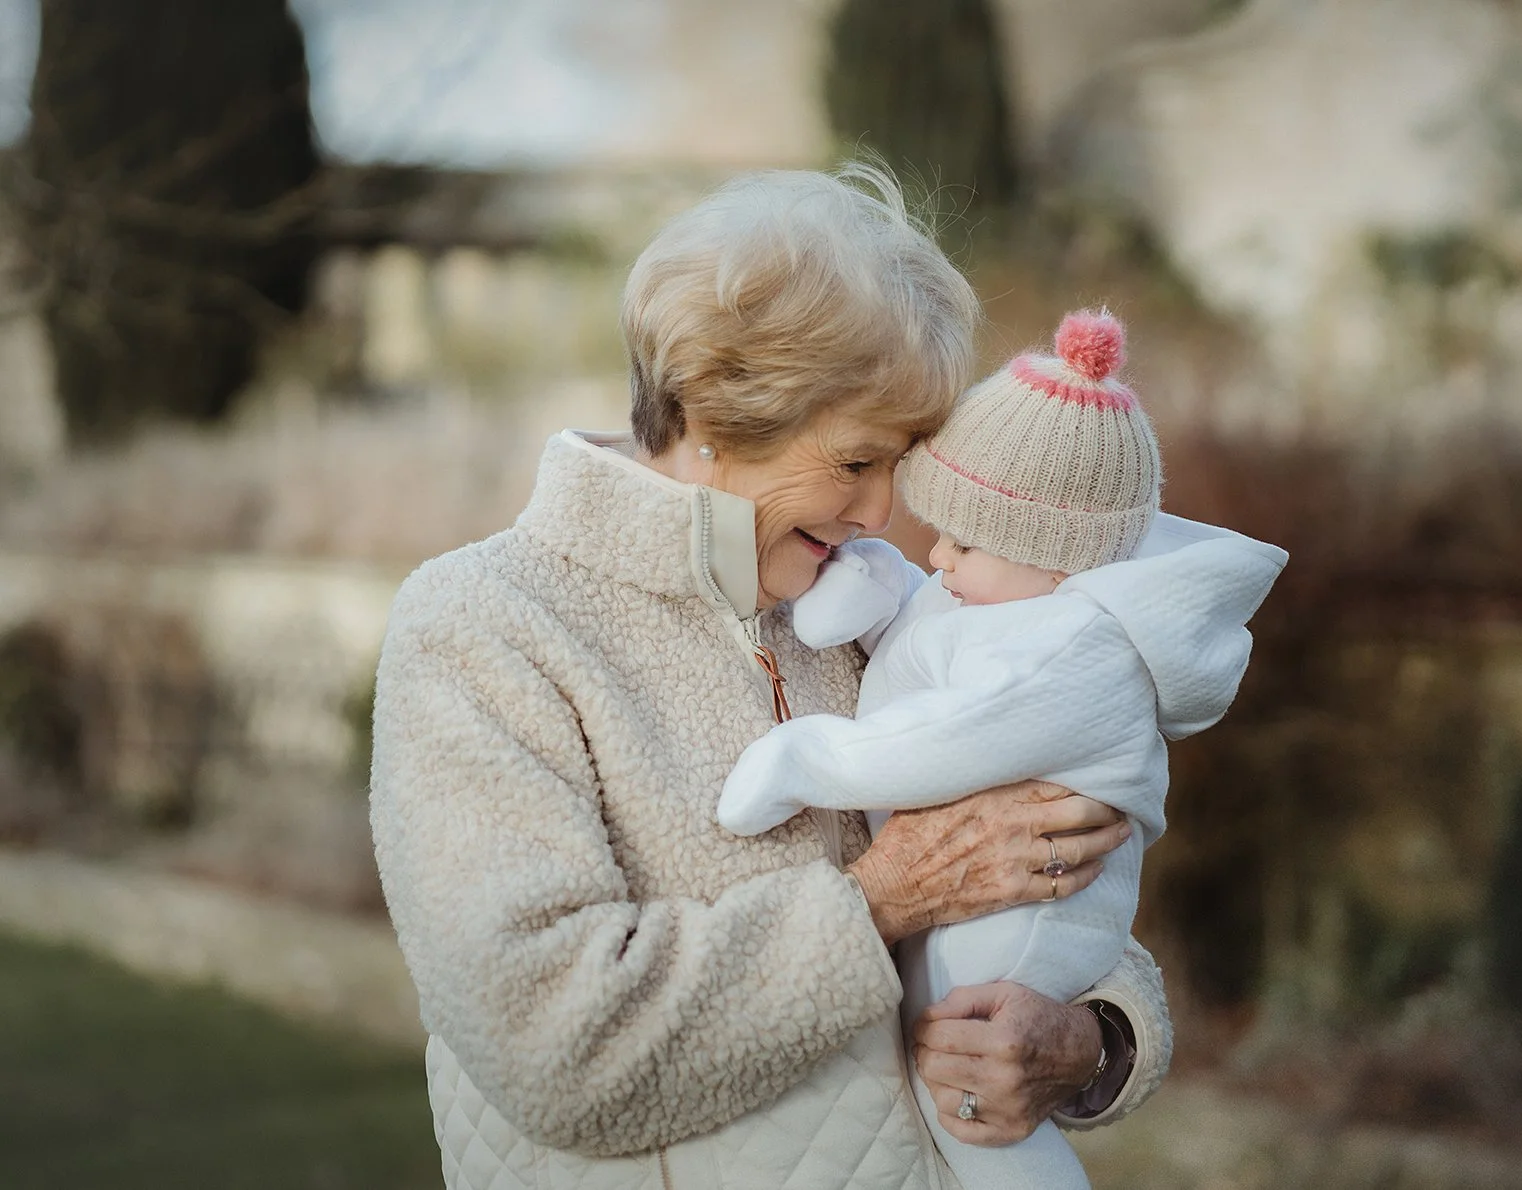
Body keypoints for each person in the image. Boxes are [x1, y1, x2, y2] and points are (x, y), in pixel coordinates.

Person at [369, 166, 1175, 1190]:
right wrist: (877, 899)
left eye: (901, 465)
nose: (883, 514)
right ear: (717, 405)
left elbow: (1053, 877)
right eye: (853, 463)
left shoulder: (878, 609)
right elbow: (548, 1038)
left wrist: (1089, 1038)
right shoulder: (483, 624)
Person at [717, 310, 1287, 1190]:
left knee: (963, 1093)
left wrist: (802, 759)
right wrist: (867, 587)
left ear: (1054, 559)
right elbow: (926, 614)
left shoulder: (1068, 654)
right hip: (971, 917)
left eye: (965, 540)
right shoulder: (1003, 597)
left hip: (1022, 932)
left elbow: (938, 740)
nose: (934, 553)